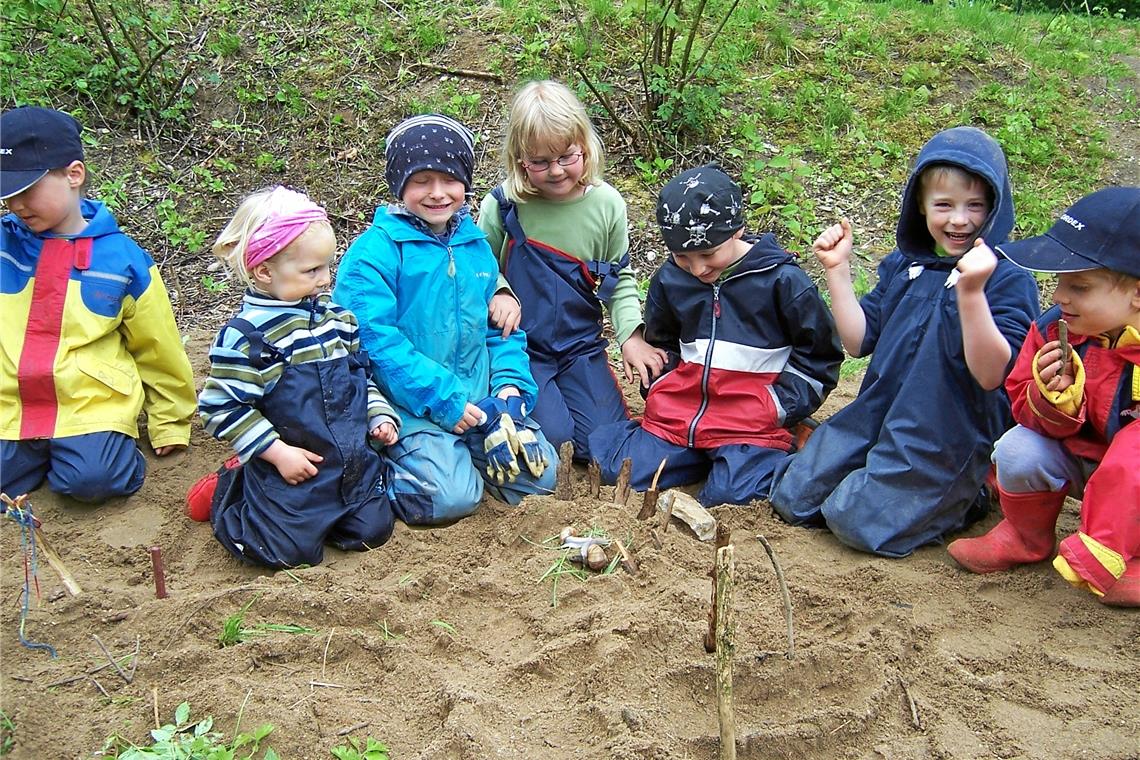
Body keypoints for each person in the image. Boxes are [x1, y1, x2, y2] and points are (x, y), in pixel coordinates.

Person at [769, 126, 1041, 557]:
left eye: (975, 206)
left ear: (995, 208)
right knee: (792, 496)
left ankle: (970, 495)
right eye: (944, 205)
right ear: (920, 205)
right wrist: (837, 271)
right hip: (877, 415)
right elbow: (859, 342)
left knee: (853, 520)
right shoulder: (905, 266)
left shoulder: (1008, 280)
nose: (959, 219)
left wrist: (971, 293)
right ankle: (883, 480)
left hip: (945, 434)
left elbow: (993, 376)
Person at [334, 113, 557, 526]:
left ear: (465, 182)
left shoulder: (474, 245)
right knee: (449, 500)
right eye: (421, 181)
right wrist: (446, 401)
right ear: (399, 184)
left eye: (449, 179)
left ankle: (459, 456)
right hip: (413, 407)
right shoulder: (374, 254)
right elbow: (377, 344)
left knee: (543, 477)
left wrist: (509, 391)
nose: (437, 193)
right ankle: (387, 464)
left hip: (479, 402)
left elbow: (502, 330)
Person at [588, 164, 843, 506]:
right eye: (683, 257)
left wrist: (779, 405)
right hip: (683, 413)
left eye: (708, 254)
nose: (697, 269)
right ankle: (702, 457)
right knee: (618, 469)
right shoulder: (669, 279)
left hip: (749, 418)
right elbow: (664, 342)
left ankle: (786, 442)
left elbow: (819, 356)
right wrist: (662, 382)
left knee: (729, 495)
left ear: (737, 231)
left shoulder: (783, 281)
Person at [187, 186, 398, 569]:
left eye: (327, 267)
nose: (325, 279)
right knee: (284, 553)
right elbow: (220, 407)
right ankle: (230, 487)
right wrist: (277, 452)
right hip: (291, 467)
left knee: (372, 532)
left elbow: (360, 379)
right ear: (264, 270)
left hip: (346, 464)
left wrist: (379, 415)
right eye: (311, 270)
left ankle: (330, 509)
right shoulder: (249, 337)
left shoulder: (338, 320)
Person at [948, 187, 1140, 607]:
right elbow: (1020, 403)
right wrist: (1055, 401)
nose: (1059, 297)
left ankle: (1129, 555)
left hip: (1132, 480)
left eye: (1082, 286)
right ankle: (1026, 536)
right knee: (1017, 448)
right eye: (1059, 282)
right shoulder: (1055, 329)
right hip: (1090, 462)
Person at [0, 105, 196, 503]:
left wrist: (169, 422)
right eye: (7, 193)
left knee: (94, 482)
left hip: (88, 404)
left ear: (74, 175)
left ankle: (113, 452)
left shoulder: (122, 260)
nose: (16, 204)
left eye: (27, 189)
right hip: (12, 408)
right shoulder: (4, 247)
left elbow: (158, 347)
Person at [478, 80, 665, 462]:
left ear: (585, 145)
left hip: (581, 346)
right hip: (521, 347)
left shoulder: (607, 204)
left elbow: (621, 277)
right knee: (556, 442)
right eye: (540, 162)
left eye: (567, 156)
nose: (556, 171)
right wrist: (498, 290)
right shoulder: (501, 206)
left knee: (602, 445)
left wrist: (630, 334)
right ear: (519, 160)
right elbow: (477, 269)